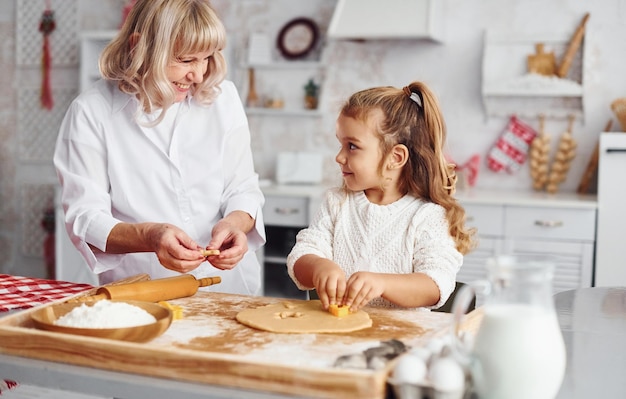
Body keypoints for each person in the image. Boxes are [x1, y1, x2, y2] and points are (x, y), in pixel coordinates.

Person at [53, 0, 265, 295]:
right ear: (140, 47)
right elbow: (85, 218)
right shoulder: (92, 112)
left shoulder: (223, 98)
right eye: (186, 59)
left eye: (206, 58)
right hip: (144, 291)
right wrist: (151, 237)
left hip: (229, 288)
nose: (199, 75)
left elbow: (243, 188)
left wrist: (235, 224)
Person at [286, 81, 476, 311]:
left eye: (352, 146)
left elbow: (437, 284)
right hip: (339, 340)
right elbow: (302, 254)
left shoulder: (427, 216)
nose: (339, 157)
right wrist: (319, 266)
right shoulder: (336, 203)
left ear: (395, 158)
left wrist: (382, 284)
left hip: (402, 340)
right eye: (341, 144)